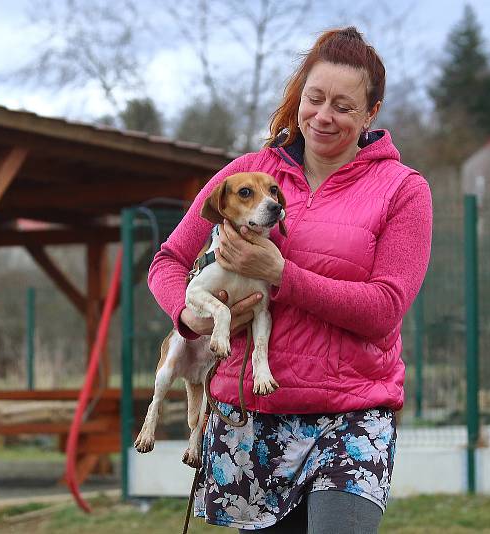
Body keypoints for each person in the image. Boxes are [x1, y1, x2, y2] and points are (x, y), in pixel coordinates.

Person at [147, 26, 432, 533]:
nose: (323, 116)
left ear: (372, 113)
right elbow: (168, 261)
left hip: (350, 413)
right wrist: (188, 315)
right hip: (250, 418)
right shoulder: (246, 175)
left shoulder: (402, 190)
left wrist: (281, 274)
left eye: (343, 106)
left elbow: (384, 309)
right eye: (314, 98)